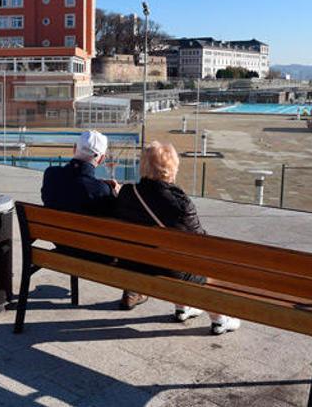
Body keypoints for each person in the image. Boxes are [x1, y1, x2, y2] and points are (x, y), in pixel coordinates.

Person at [114, 141, 241, 335]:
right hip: (169, 270)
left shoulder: (127, 192)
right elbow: (200, 243)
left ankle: (183, 307)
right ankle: (219, 319)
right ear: (171, 168)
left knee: (170, 254)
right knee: (200, 263)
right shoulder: (180, 203)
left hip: (134, 265)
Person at [40, 130, 148, 310]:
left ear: (74, 148)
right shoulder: (100, 192)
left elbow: (72, 191)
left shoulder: (51, 175)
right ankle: (133, 288)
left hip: (61, 244)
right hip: (92, 254)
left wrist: (103, 187)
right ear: (102, 158)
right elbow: (117, 219)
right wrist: (117, 194)